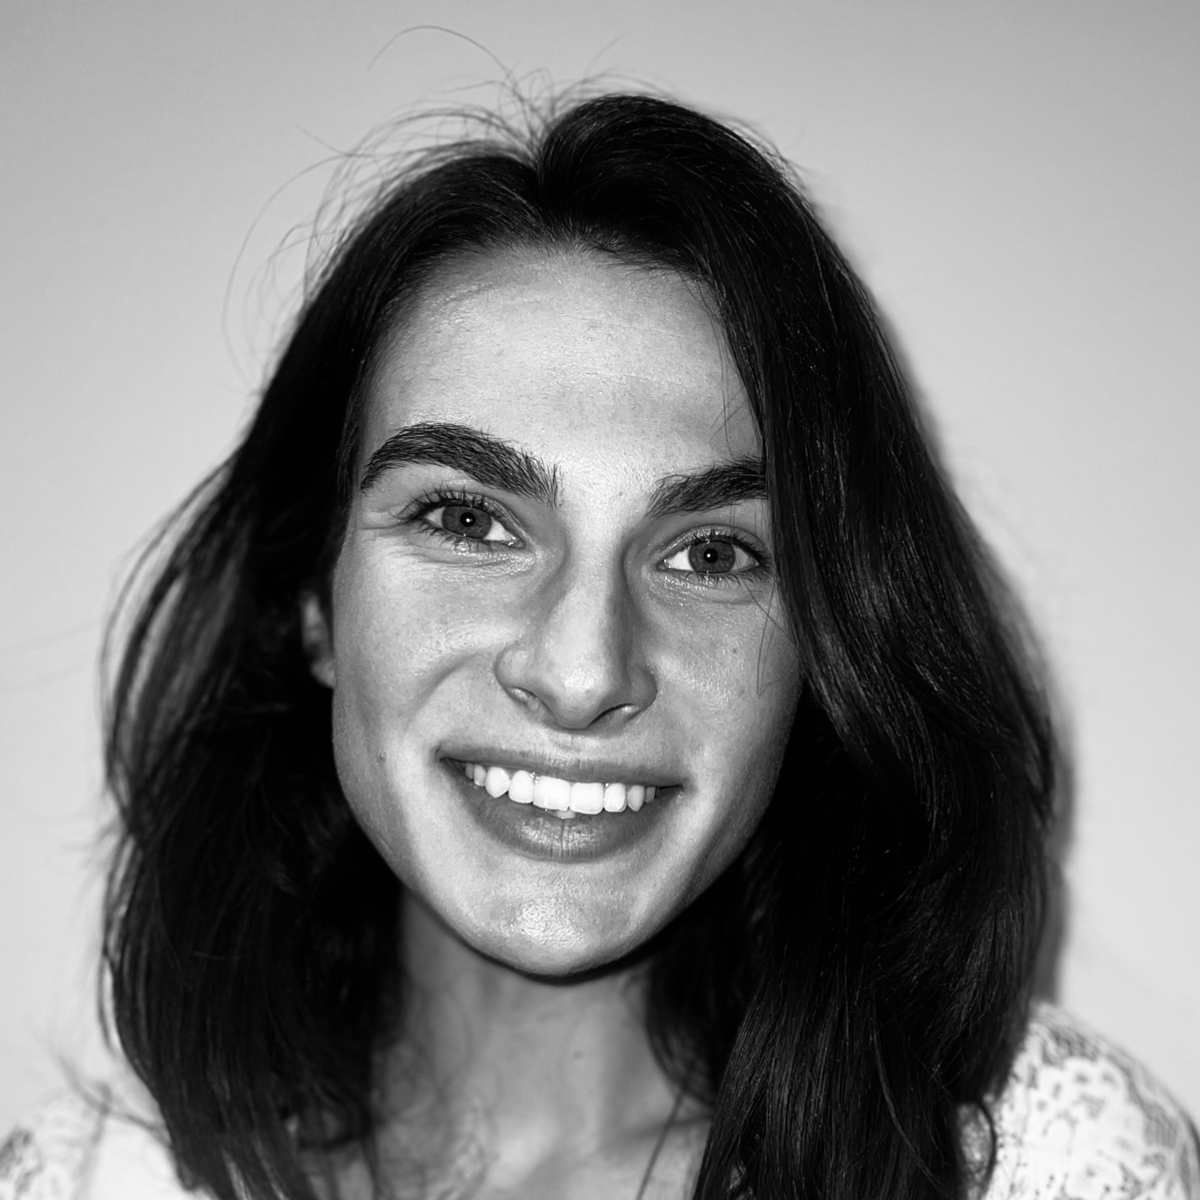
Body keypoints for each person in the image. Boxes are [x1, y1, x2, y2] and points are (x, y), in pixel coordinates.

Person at [1, 90, 1195, 1200]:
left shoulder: (1044, 1168)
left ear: (824, 649)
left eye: (710, 554)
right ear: (312, 597)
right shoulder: (83, 1181)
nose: (582, 675)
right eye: (466, 521)